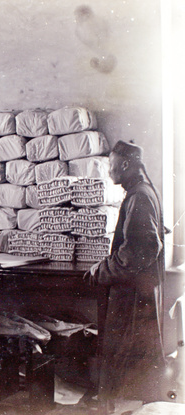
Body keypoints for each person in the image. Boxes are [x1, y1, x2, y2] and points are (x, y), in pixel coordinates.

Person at [84, 140, 166, 412]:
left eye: (111, 165)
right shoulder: (143, 192)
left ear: (126, 164)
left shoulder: (139, 196)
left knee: (121, 355)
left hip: (132, 294)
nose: (109, 171)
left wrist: (101, 270)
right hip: (140, 291)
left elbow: (139, 252)